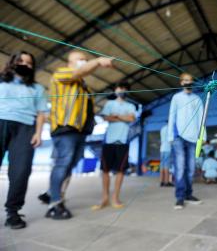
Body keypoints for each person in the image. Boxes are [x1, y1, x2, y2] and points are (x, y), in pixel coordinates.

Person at [45, 51, 113, 219]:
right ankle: (55, 202)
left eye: (85, 60)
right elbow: (78, 72)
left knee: (70, 164)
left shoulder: (85, 87)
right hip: (64, 128)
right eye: (79, 59)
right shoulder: (62, 73)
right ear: (70, 62)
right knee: (63, 163)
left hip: (80, 131)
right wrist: (97, 61)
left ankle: (50, 192)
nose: (83, 62)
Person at [0, 51, 47, 229]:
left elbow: (42, 112)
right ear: (12, 62)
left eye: (29, 63)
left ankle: (12, 212)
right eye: (20, 61)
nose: (24, 65)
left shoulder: (37, 88)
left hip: (25, 129)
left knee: (21, 171)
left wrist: (38, 133)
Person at [92, 82, 136, 210]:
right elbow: (106, 118)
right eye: (119, 88)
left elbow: (132, 119)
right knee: (105, 170)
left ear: (127, 91)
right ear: (115, 90)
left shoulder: (130, 105)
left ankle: (115, 198)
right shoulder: (109, 104)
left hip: (123, 141)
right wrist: (123, 117)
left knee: (120, 170)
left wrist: (116, 116)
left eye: (124, 88)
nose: (121, 90)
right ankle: (104, 198)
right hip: (109, 140)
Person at [167, 72, 203, 210]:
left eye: (191, 80)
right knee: (180, 168)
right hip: (178, 138)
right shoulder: (176, 98)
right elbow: (172, 116)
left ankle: (189, 195)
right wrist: (170, 136)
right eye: (185, 80)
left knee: (191, 168)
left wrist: (202, 136)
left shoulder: (197, 99)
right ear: (181, 83)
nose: (188, 82)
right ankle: (180, 197)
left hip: (193, 138)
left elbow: (201, 119)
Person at [160, 121, 173, 187]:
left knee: (162, 166)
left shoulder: (162, 129)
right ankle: (167, 182)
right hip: (167, 149)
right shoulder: (170, 129)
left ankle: (161, 182)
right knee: (167, 166)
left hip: (162, 149)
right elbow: (171, 140)